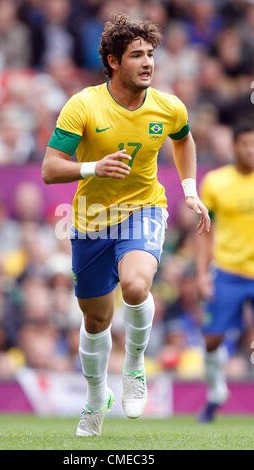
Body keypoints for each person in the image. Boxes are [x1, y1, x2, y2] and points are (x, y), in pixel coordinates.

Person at [42, 14, 210, 437]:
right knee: (96, 320)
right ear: (114, 61)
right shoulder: (84, 104)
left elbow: (184, 138)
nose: (148, 62)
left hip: (144, 209)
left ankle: (135, 365)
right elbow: (49, 169)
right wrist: (92, 167)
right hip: (92, 220)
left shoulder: (169, 106)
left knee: (136, 287)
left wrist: (189, 188)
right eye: (137, 55)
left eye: (151, 54)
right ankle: (97, 396)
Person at [196, 124, 254, 422]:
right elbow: (204, 232)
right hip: (228, 270)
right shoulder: (216, 182)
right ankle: (216, 390)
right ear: (234, 147)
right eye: (245, 144)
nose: (250, 150)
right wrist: (202, 273)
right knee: (212, 339)